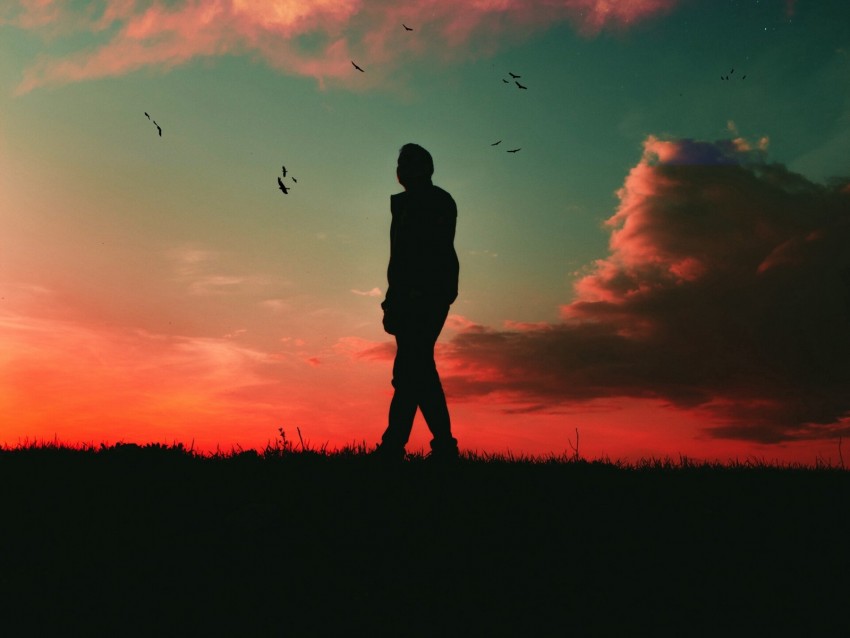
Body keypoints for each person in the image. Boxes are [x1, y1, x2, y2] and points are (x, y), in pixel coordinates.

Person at [374, 143, 460, 463]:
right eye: (400, 162)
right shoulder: (410, 203)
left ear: (426, 168)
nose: (403, 168)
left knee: (413, 369)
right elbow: (401, 260)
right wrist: (392, 298)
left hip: (426, 296)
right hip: (412, 296)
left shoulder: (434, 202)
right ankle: (425, 447)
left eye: (410, 162)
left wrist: (412, 294)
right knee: (414, 371)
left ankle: (400, 447)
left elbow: (429, 252)